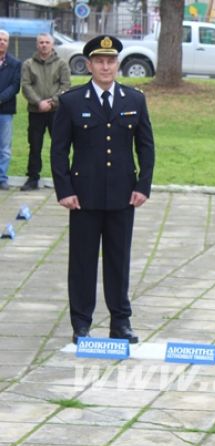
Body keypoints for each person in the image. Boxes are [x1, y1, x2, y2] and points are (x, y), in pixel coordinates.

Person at [50, 36, 155, 344]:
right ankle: (81, 322)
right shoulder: (71, 101)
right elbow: (59, 151)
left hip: (123, 194)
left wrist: (143, 185)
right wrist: (64, 189)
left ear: (117, 65)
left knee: (119, 261)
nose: (105, 66)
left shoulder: (134, 99)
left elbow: (146, 147)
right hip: (83, 196)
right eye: (99, 61)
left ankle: (120, 322)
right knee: (82, 262)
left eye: (111, 61)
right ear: (89, 65)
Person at [20, 32, 71, 191]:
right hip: (35, 112)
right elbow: (26, 85)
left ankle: (62, 179)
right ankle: (33, 178)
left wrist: (52, 102)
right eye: (41, 42)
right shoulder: (28, 64)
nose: (44, 45)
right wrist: (38, 102)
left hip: (56, 112)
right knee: (35, 146)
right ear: (37, 44)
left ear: (52, 44)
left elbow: (66, 86)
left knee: (59, 146)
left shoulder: (62, 64)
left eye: (47, 42)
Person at [0, 29, 21, 191]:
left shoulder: (15, 64)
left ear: (8, 43)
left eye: (5, 40)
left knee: (4, 147)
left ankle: (2, 178)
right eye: (0, 39)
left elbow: (15, 86)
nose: (2, 42)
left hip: (5, 111)